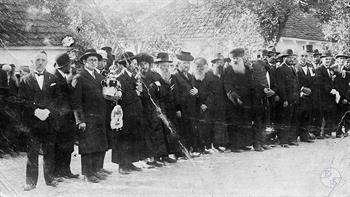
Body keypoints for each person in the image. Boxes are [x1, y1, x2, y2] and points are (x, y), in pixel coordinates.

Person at [19, 51, 61, 191]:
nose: (40, 62)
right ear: (33, 62)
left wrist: (48, 110)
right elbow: (22, 100)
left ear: (47, 62)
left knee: (49, 152)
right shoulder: (25, 80)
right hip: (33, 122)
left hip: (49, 121)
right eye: (38, 59)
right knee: (32, 153)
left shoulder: (53, 78)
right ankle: (30, 182)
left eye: (43, 60)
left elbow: (57, 99)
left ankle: (50, 179)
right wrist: (35, 110)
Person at [71, 49, 110, 183]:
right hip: (87, 117)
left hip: (100, 116)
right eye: (91, 60)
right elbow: (76, 102)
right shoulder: (79, 77)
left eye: (95, 60)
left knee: (99, 144)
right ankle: (88, 173)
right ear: (84, 62)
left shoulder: (99, 77)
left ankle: (97, 169)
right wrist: (80, 120)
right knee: (88, 146)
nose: (94, 62)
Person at [112, 51, 144, 174]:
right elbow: (121, 96)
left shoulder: (133, 77)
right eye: (134, 63)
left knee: (132, 138)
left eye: (136, 64)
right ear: (127, 64)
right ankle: (122, 165)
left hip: (134, 113)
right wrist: (135, 93)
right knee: (123, 139)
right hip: (125, 113)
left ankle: (129, 162)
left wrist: (139, 92)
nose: (136, 66)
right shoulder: (120, 77)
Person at [53, 53, 79, 179]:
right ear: (64, 65)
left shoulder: (63, 76)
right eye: (70, 64)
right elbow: (57, 99)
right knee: (60, 146)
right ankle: (57, 172)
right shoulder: (55, 77)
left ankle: (65, 171)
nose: (71, 66)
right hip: (60, 118)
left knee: (67, 145)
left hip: (66, 118)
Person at [223, 48, 253, 152]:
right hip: (233, 102)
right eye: (233, 58)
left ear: (242, 58)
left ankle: (244, 144)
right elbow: (227, 86)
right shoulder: (228, 70)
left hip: (246, 100)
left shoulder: (247, 69)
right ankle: (234, 146)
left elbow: (250, 84)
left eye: (237, 58)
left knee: (245, 122)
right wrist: (236, 98)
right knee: (235, 123)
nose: (235, 60)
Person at [170, 51, 199, 156]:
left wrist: (196, 92)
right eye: (184, 63)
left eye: (188, 63)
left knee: (190, 128)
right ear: (179, 63)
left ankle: (190, 150)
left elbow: (193, 90)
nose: (186, 65)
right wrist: (177, 109)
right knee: (182, 129)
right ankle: (182, 152)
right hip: (182, 108)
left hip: (191, 108)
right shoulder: (175, 76)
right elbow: (175, 94)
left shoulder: (190, 76)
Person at [275, 49, 300, 147]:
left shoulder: (293, 68)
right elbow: (281, 86)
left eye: (292, 57)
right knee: (285, 120)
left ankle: (291, 139)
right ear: (284, 58)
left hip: (295, 99)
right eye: (288, 57)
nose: (291, 59)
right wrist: (284, 99)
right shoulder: (280, 69)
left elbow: (296, 84)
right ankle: (283, 141)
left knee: (293, 120)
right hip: (286, 100)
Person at [315, 50, 338, 138]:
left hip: (330, 97)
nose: (328, 61)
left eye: (329, 59)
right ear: (322, 60)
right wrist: (330, 90)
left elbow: (334, 80)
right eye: (326, 59)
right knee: (321, 115)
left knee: (329, 114)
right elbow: (321, 83)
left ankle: (327, 132)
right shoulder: (319, 69)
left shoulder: (331, 70)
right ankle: (319, 133)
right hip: (322, 96)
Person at [296, 51, 315, 143]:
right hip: (299, 95)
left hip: (309, 95)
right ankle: (294, 137)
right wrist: (302, 89)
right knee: (298, 116)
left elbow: (313, 80)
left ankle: (305, 136)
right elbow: (294, 82)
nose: (304, 58)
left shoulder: (311, 67)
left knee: (307, 116)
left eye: (305, 56)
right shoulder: (295, 67)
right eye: (302, 56)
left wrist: (310, 90)